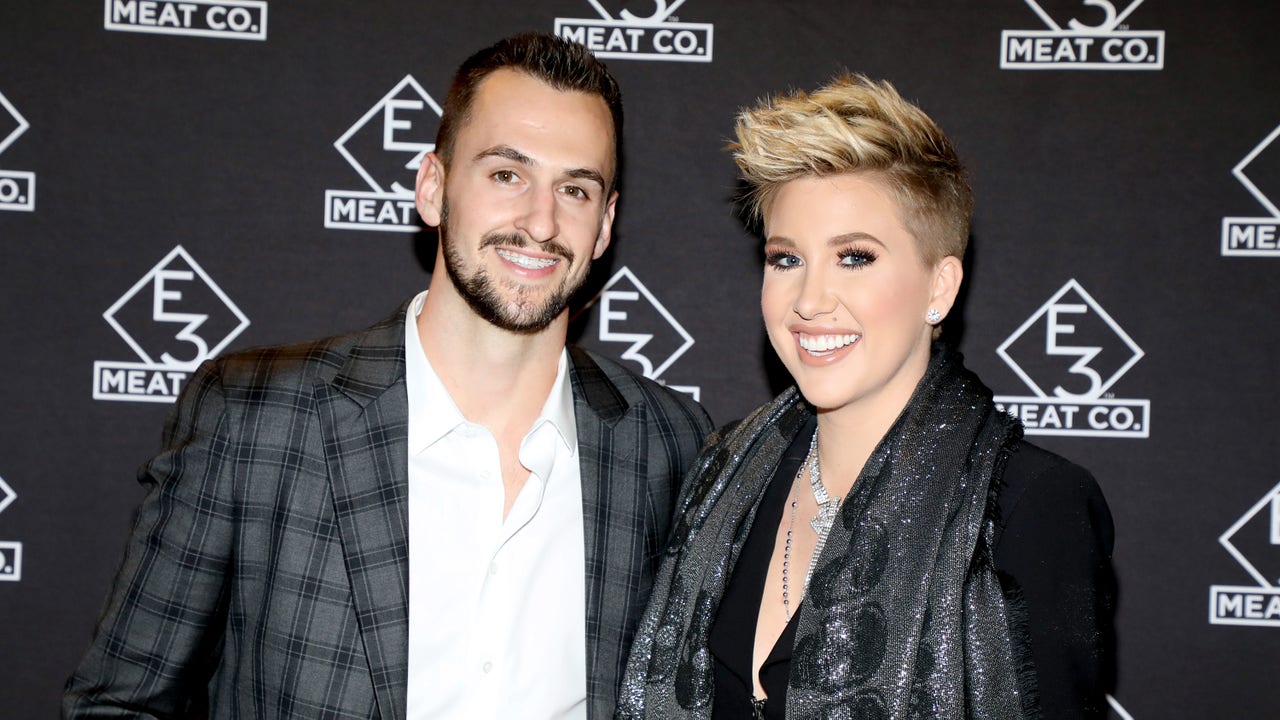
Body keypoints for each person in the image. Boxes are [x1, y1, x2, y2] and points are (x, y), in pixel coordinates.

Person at [64, 33, 712, 720]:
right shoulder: (255, 418)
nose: (541, 221)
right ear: (432, 188)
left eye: (575, 189)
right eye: (506, 175)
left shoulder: (668, 445)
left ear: (604, 225)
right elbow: (121, 705)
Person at [618, 74, 1115, 719]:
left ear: (939, 287)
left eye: (854, 257)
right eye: (786, 259)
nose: (810, 300)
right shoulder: (722, 475)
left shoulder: (1031, 506)